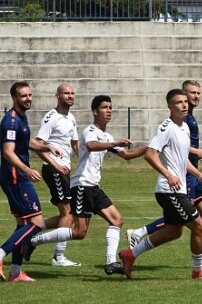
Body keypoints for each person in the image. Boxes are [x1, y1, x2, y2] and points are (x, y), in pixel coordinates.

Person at [28, 95, 147, 276]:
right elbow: (91, 146)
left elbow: (127, 155)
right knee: (78, 232)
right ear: (94, 111)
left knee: (116, 220)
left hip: (93, 187)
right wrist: (114, 143)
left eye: (110, 108)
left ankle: (111, 263)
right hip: (82, 186)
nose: (108, 111)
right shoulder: (90, 131)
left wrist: (150, 148)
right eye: (104, 107)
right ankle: (33, 242)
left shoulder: (107, 136)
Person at [126, 80, 202, 269]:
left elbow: (183, 159)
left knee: (174, 231)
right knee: (199, 226)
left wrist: (200, 175)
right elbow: (150, 154)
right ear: (169, 106)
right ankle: (199, 270)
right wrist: (168, 174)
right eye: (179, 102)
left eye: (185, 101)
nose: (184, 105)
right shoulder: (166, 128)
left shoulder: (184, 127)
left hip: (179, 188)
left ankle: (130, 254)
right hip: (169, 190)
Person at [0, 82, 64, 282]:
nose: (28, 98)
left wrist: (48, 148)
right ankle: (1, 254)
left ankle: (16, 271)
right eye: (23, 96)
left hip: (16, 175)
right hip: (16, 176)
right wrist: (27, 169)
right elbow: (8, 152)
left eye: (29, 95)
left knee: (23, 224)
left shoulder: (21, 118)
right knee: (36, 223)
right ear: (14, 98)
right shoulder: (10, 121)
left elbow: (25, 142)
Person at [35, 83, 81, 267]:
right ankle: (58, 256)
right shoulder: (51, 117)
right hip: (53, 169)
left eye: (72, 93)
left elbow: (75, 144)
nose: (70, 96)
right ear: (57, 95)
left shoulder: (71, 118)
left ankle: (32, 231)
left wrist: (84, 160)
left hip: (64, 170)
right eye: (66, 93)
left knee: (69, 215)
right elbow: (38, 145)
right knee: (69, 213)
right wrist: (56, 164)